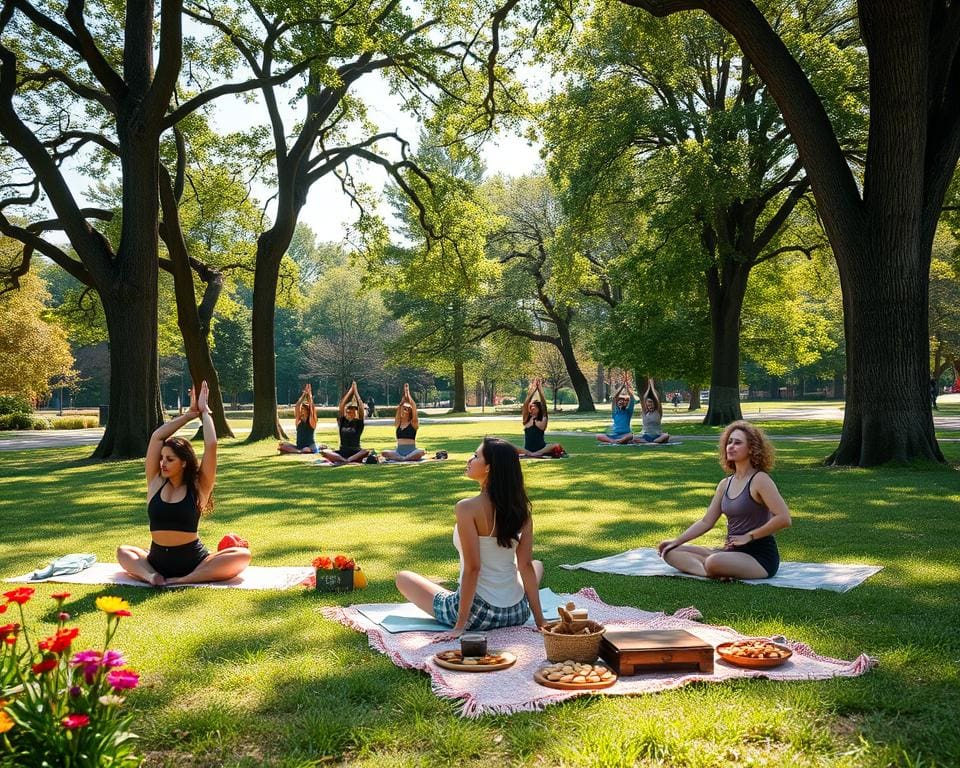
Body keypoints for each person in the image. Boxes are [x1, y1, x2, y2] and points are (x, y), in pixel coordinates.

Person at [395, 437, 548, 638]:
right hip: (517, 612)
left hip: (479, 614)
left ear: (488, 468)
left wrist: (460, 626)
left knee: (403, 578)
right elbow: (525, 566)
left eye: (476, 456)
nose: (469, 460)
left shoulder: (467, 508)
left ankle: (457, 601)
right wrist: (540, 620)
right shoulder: (521, 510)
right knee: (535, 564)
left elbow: (473, 568)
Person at [117, 382, 251, 586]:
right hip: (156, 560)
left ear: (184, 462)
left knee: (241, 555)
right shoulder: (155, 481)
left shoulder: (199, 486)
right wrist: (189, 415)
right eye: (162, 458)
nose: (162, 463)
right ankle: (152, 576)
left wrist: (205, 412)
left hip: (193, 562)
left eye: (170, 459)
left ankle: (185, 579)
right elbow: (157, 437)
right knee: (123, 551)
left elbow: (211, 445)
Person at [657, 420, 791, 580]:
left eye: (738, 443)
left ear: (751, 449)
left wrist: (750, 536)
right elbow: (706, 522)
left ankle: (714, 568)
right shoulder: (725, 484)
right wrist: (676, 541)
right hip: (731, 552)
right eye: (729, 442)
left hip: (759, 557)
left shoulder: (760, 479)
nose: (731, 446)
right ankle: (711, 571)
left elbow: (784, 518)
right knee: (670, 552)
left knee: (714, 561)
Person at [320, 381, 370, 464]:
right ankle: (345, 460)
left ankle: (346, 460)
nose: (350, 414)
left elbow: (360, 407)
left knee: (366, 451)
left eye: (352, 412)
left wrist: (356, 392)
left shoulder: (358, 423)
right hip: (342, 451)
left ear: (356, 413)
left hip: (355, 452)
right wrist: (350, 391)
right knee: (324, 452)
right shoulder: (343, 421)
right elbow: (342, 405)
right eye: (348, 412)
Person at [517, 379, 561, 457]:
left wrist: (540, 390)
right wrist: (533, 390)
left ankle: (538, 453)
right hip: (527, 450)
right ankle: (530, 453)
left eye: (535, 406)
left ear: (539, 409)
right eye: (531, 406)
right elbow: (525, 404)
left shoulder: (543, 419)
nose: (532, 407)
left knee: (556, 445)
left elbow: (544, 405)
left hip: (542, 448)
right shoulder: (526, 419)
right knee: (509, 446)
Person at [382, 384, 426, 462]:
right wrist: (401, 404)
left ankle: (404, 458)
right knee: (384, 452)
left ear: (409, 412)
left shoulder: (413, 423)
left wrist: (407, 392)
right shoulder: (398, 423)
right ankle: (403, 458)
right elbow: (398, 410)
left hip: (412, 451)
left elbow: (414, 406)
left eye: (406, 409)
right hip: (398, 452)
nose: (403, 410)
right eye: (403, 408)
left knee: (422, 451)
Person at [278, 383, 320, 453]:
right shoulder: (299, 421)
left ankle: (298, 451)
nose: (302, 412)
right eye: (301, 410)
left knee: (305, 450)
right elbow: (297, 406)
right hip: (299, 447)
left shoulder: (312, 422)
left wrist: (309, 396)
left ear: (308, 412)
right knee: (281, 444)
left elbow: (312, 409)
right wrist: (304, 394)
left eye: (304, 410)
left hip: (310, 447)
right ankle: (297, 451)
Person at [596, 377, 635, 443]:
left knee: (631, 436)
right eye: (619, 402)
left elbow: (632, 398)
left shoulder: (628, 412)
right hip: (615, 435)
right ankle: (614, 441)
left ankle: (619, 441)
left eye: (622, 402)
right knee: (598, 436)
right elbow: (614, 398)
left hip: (625, 435)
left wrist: (627, 387)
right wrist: (622, 386)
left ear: (625, 404)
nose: (621, 403)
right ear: (617, 403)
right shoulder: (615, 412)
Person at [633, 378, 671, 444]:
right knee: (633, 438)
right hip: (646, 436)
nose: (650, 406)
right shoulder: (645, 413)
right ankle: (652, 442)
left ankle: (651, 442)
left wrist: (652, 387)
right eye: (648, 404)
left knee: (666, 435)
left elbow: (657, 399)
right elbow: (644, 397)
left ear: (654, 403)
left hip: (657, 436)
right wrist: (649, 387)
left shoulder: (658, 412)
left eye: (651, 403)